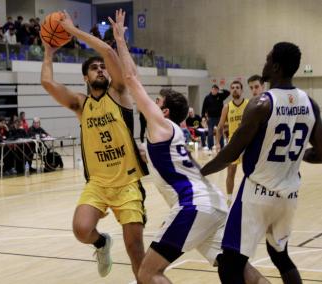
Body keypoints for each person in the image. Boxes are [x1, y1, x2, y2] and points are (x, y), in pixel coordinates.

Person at [110, 9, 269, 284]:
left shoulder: (160, 126)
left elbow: (131, 79)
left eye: (157, 103)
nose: (151, 105)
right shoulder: (168, 136)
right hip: (214, 204)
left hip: (193, 205)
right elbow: (155, 163)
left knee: (148, 272)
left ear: (165, 112)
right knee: (233, 268)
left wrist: (120, 42)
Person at [201, 42, 322, 284]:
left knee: (229, 263)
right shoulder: (310, 104)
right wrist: (302, 156)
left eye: (267, 60)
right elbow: (321, 152)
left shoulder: (261, 104)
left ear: (275, 67)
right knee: (281, 256)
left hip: (256, 196)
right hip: (288, 197)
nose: (264, 63)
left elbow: (230, 154)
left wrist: (198, 173)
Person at [41, 11, 148, 280]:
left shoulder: (120, 93)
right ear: (85, 79)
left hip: (127, 182)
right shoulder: (81, 104)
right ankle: (101, 243)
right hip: (98, 183)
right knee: (81, 230)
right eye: (94, 68)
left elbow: (110, 55)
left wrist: (71, 30)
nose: (101, 69)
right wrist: (49, 52)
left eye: (102, 68)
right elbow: (47, 83)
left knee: (135, 248)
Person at [215, 81, 248, 204]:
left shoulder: (249, 104)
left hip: (247, 142)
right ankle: (229, 199)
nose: (235, 90)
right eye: (232, 88)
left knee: (250, 171)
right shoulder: (227, 107)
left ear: (242, 90)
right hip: (233, 144)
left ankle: (249, 197)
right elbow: (219, 127)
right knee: (231, 171)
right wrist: (217, 143)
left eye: (237, 88)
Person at [201, 84, 230, 151]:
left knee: (220, 132)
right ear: (211, 89)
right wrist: (203, 117)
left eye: (216, 90)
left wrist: (221, 89)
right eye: (213, 89)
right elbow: (204, 107)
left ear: (217, 90)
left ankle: (221, 146)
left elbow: (228, 93)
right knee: (210, 133)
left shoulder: (220, 96)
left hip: (219, 117)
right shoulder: (207, 97)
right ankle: (210, 147)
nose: (215, 91)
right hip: (211, 118)